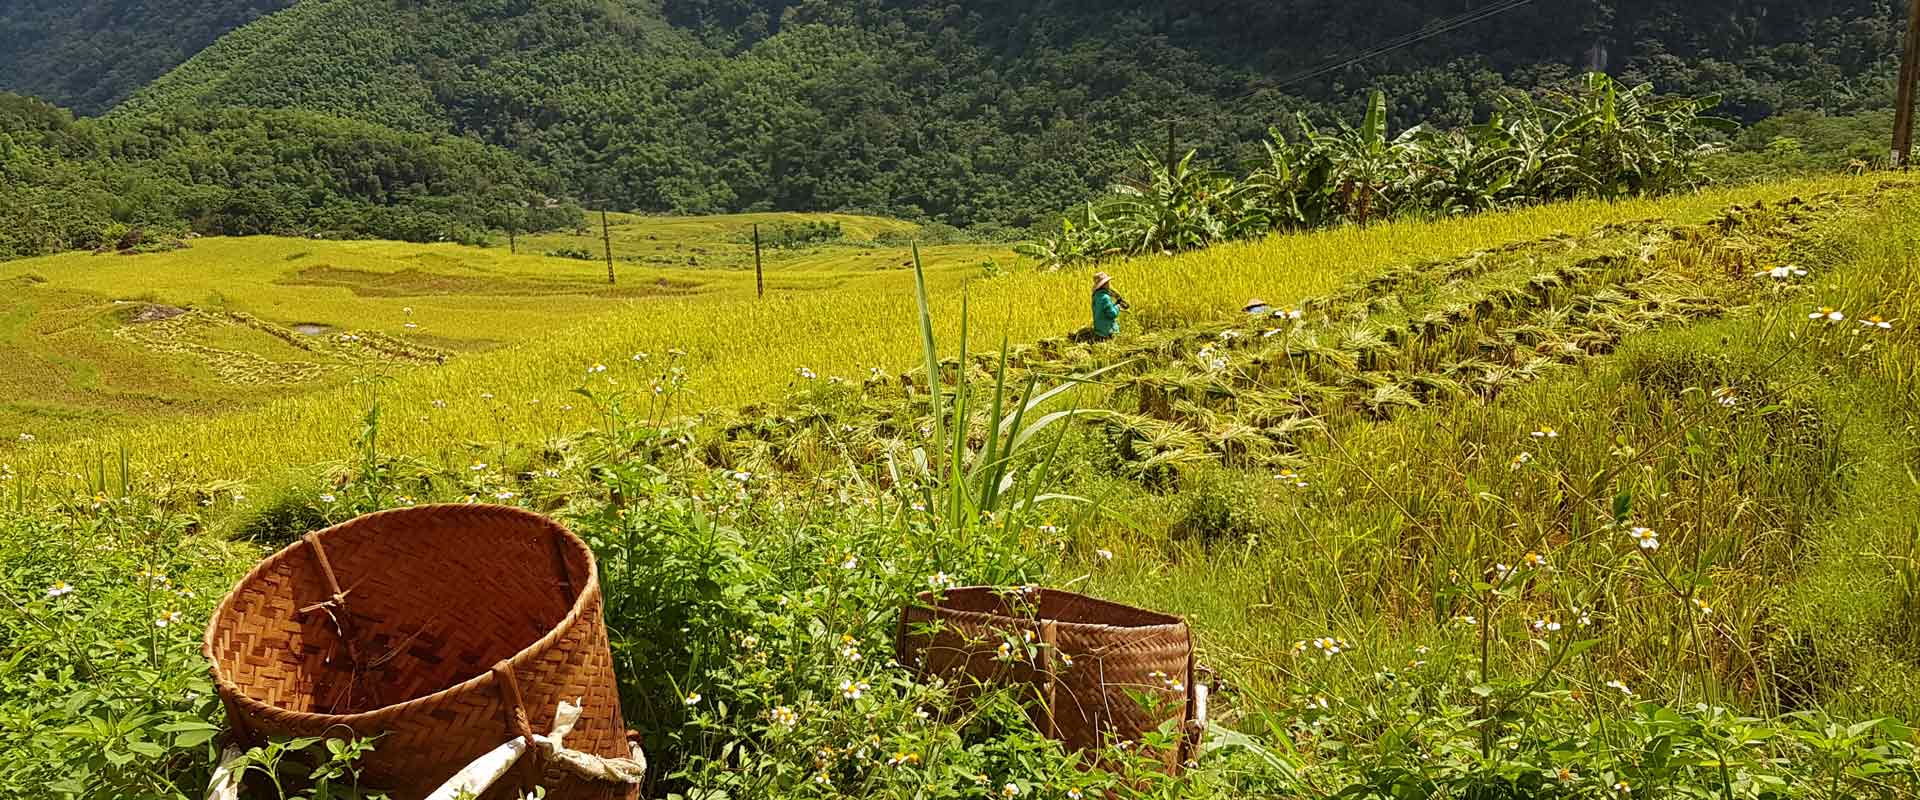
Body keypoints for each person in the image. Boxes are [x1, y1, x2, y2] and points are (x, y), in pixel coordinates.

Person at [1091, 272, 1127, 340]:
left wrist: (1114, 305)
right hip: (1108, 332)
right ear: (1104, 285)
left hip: (1099, 330)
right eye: (1107, 283)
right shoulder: (1105, 297)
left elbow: (1104, 310)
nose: (1109, 284)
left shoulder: (1095, 296)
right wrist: (1118, 307)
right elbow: (1112, 314)